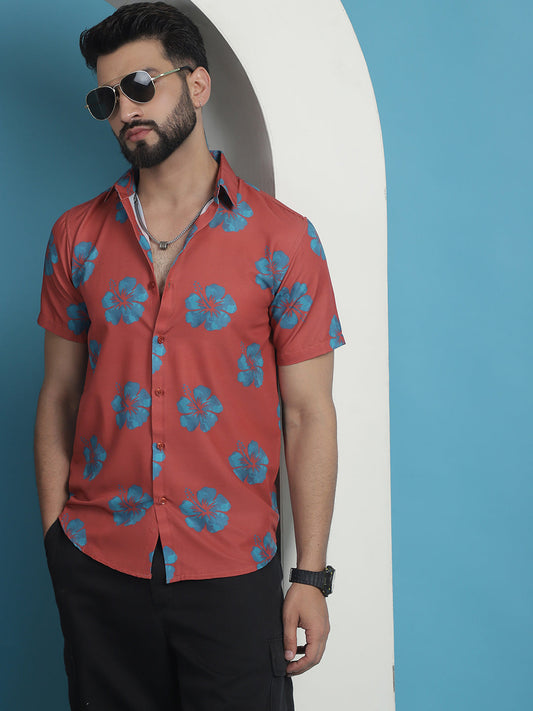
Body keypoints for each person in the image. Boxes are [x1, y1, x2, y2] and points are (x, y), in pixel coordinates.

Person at [34, 3, 345, 709]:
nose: (125, 110)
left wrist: (310, 575)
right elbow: (58, 394)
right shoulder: (75, 237)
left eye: (141, 85)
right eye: (107, 98)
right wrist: (58, 539)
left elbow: (308, 414)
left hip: (232, 570)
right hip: (98, 565)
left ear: (197, 85)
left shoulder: (284, 241)